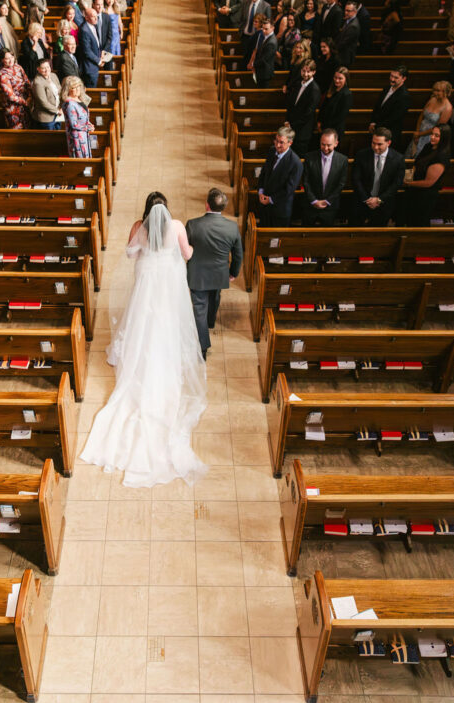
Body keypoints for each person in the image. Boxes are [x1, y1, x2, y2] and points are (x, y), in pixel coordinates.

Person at [80, 191, 206, 488]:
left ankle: (140, 352)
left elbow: (130, 254)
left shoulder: (139, 227)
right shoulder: (176, 226)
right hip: (167, 283)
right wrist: (184, 250)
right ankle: (164, 356)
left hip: (147, 281)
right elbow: (187, 254)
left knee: (142, 318)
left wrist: (145, 251)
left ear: (147, 210)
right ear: (167, 209)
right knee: (166, 319)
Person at [185, 188, 243, 360]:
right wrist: (233, 272)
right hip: (219, 273)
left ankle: (203, 347)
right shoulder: (232, 227)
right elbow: (238, 254)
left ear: (207, 205)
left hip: (198, 274)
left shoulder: (193, 225)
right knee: (215, 296)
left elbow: (185, 248)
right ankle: (210, 322)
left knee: (199, 308)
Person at [352, 127, 405, 226]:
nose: (375, 147)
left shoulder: (398, 159)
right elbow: (356, 179)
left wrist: (379, 199)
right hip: (362, 202)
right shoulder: (361, 155)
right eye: (373, 143)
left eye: (379, 144)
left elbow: (397, 183)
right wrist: (367, 199)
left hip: (384, 205)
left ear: (388, 143)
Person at [400, 124, 451, 226]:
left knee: (419, 223)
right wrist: (408, 177)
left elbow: (428, 183)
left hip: (425, 196)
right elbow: (416, 163)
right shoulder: (428, 146)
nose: (432, 137)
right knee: (408, 220)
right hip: (414, 188)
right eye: (432, 134)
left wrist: (408, 183)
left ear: (444, 138)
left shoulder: (441, 157)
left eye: (437, 136)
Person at [257, 126, 303, 226]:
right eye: (276, 141)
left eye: (281, 142)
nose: (277, 145)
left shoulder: (295, 163)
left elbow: (289, 189)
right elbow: (264, 173)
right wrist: (260, 191)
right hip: (264, 206)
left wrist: (270, 199)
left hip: (280, 210)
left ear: (290, 143)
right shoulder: (271, 151)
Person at [301, 129, 349, 226]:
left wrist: (327, 201)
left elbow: (341, 184)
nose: (325, 148)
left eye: (329, 145)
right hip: (310, 205)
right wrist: (314, 200)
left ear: (336, 143)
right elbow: (305, 181)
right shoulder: (309, 157)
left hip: (330, 207)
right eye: (323, 144)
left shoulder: (343, 160)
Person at [406, 81, 453, 158]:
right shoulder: (432, 100)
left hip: (430, 136)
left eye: (438, 91)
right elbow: (421, 116)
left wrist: (420, 134)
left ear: (445, 92)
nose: (435, 93)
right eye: (435, 90)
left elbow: (438, 128)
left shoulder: (447, 108)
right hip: (420, 132)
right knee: (410, 155)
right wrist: (417, 132)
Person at [369, 65, 411, 149]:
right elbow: (378, 106)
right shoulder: (387, 88)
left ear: (404, 78)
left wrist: (377, 126)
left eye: (396, 77)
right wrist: (373, 122)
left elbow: (395, 117)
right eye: (391, 76)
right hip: (378, 128)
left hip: (390, 133)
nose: (392, 79)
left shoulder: (404, 96)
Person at [285, 60, 321, 156]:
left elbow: (308, 113)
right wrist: (288, 121)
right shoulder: (298, 84)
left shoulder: (314, 89)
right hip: (291, 129)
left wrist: (291, 125)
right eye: (303, 71)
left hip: (302, 133)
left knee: (298, 158)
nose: (305, 74)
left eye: (308, 71)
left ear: (314, 72)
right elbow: (291, 105)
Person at [0, 50, 32, 129]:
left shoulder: (18, 67)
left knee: (28, 128)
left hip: (26, 103)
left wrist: (30, 96)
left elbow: (27, 82)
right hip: (13, 107)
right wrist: (25, 102)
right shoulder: (2, 74)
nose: (10, 60)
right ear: (2, 60)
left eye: (12, 57)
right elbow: (10, 96)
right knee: (17, 130)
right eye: (7, 58)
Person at [61, 75, 93, 158]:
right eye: (74, 87)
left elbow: (83, 117)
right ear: (68, 90)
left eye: (78, 86)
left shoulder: (78, 99)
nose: (78, 89)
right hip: (77, 138)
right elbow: (74, 124)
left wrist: (89, 124)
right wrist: (87, 127)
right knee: (81, 159)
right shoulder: (70, 104)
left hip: (83, 134)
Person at [318, 66, 352, 139]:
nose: (337, 80)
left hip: (335, 130)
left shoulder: (347, 94)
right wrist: (319, 122)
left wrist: (327, 128)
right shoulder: (331, 90)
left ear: (346, 79)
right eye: (335, 77)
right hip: (325, 128)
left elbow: (341, 116)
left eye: (340, 78)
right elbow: (323, 107)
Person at [247, 16, 278, 88]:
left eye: (266, 29)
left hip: (265, 73)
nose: (263, 31)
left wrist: (253, 64)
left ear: (272, 28)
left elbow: (264, 59)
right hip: (261, 71)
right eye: (263, 28)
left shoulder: (271, 42)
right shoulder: (267, 37)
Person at [77, 7, 104, 88]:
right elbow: (86, 51)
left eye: (96, 16)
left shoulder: (93, 25)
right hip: (89, 67)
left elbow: (96, 43)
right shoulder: (84, 30)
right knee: (91, 90)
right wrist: (98, 61)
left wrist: (101, 53)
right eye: (93, 16)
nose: (96, 18)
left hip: (94, 63)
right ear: (86, 18)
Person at [31, 59, 62, 130]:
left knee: (58, 134)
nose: (47, 70)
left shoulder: (53, 75)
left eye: (48, 67)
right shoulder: (38, 82)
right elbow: (43, 102)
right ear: (38, 69)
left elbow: (60, 91)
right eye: (43, 68)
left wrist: (62, 106)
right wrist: (57, 111)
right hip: (46, 117)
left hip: (58, 113)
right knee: (50, 136)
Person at [334, 1, 361, 67]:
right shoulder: (349, 20)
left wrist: (334, 49)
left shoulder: (353, 26)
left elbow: (344, 43)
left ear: (355, 12)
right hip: (343, 55)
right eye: (345, 10)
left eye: (348, 11)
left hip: (346, 57)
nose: (346, 13)